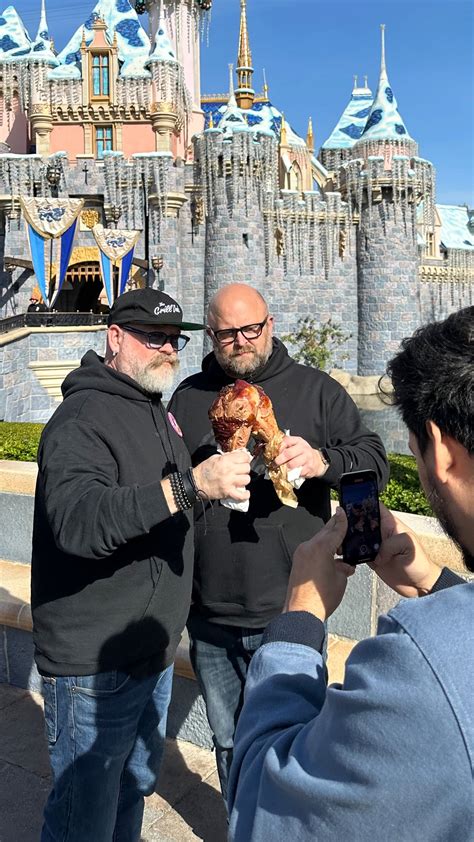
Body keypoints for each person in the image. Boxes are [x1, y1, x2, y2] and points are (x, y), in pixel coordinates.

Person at [228, 306, 474, 841]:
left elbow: (261, 808)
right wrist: (437, 582)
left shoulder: (424, 664)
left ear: (443, 452)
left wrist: (300, 617)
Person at [31, 287, 251, 842]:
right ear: (113, 337)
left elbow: (155, 491)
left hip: (148, 653)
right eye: (151, 337)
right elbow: (79, 522)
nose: (167, 350)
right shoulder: (81, 417)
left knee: (131, 793)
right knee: (85, 816)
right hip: (93, 668)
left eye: (174, 340)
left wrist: (213, 465)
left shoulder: (154, 407)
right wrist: (191, 484)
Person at [168, 283, 389, 803]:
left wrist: (322, 462)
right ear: (213, 336)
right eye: (227, 333)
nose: (241, 341)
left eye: (252, 329)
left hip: (293, 606)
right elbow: (170, 482)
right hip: (211, 609)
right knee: (228, 742)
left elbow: (374, 463)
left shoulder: (316, 391)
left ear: (269, 325)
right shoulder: (191, 396)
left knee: (298, 747)